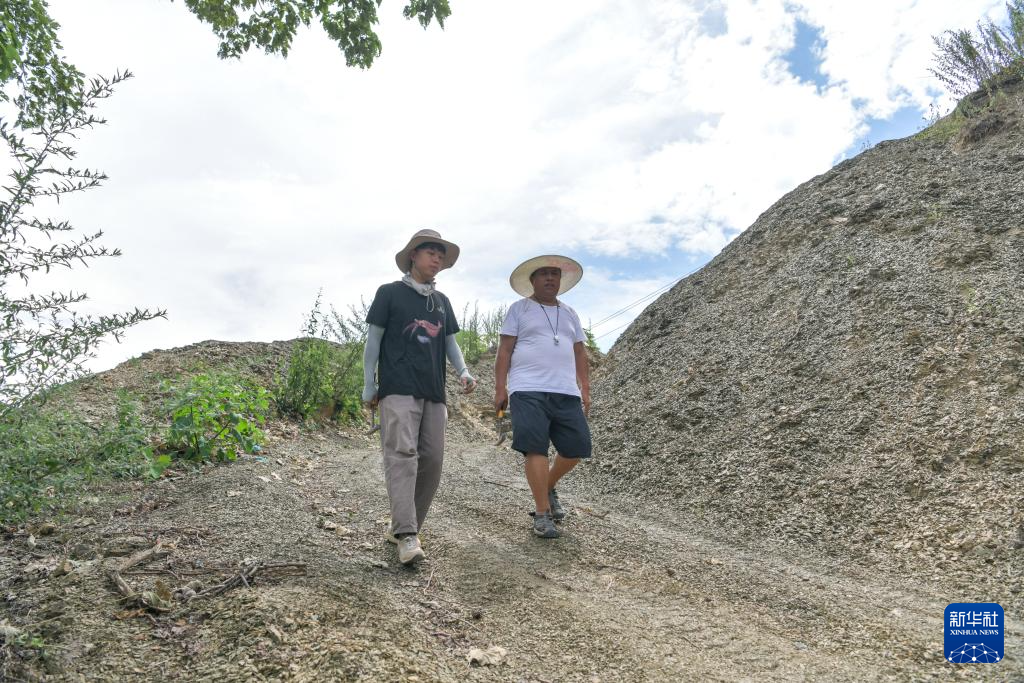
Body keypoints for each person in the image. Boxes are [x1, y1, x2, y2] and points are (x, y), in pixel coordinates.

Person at [363, 229, 476, 565]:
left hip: (433, 391)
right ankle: (407, 534)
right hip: (397, 388)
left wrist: (463, 371)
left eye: (441, 254)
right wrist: (369, 385)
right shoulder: (389, 293)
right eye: (430, 252)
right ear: (413, 255)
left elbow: (450, 342)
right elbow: (373, 341)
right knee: (402, 455)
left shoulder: (441, 302)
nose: (437, 259)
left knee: (432, 460)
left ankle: (404, 527)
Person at [494, 255, 591, 539]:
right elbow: (504, 351)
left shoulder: (570, 313)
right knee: (535, 447)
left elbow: (579, 353)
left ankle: (546, 486)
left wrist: (585, 388)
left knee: (577, 448)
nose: (550, 278)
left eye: (555, 274)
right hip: (527, 389)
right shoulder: (519, 309)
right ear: (533, 280)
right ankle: (542, 512)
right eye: (544, 274)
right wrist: (501, 388)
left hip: (565, 391)